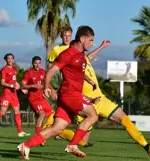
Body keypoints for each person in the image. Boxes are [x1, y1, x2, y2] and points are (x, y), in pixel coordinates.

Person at [58, 40, 150, 157]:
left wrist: (102, 46)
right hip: (85, 104)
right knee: (83, 142)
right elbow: (70, 90)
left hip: (101, 100)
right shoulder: (70, 67)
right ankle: (58, 132)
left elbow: (90, 56)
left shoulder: (84, 60)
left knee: (125, 119)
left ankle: (147, 146)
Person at [17, 26, 99, 160]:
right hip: (70, 94)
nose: (92, 43)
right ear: (82, 38)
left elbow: (78, 73)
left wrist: (90, 81)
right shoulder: (67, 54)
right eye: (91, 40)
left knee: (57, 128)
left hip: (69, 95)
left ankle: (25, 146)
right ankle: (73, 144)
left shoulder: (80, 55)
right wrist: (46, 88)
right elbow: (50, 71)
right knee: (93, 116)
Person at [0, 53, 30, 137]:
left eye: (11, 58)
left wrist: (21, 88)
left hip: (14, 94)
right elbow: (2, 82)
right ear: (6, 60)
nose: (10, 60)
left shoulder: (14, 69)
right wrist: (10, 85)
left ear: (13, 59)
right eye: (8, 58)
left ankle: (20, 132)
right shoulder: (4, 70)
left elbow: (15, 82)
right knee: (2, 112)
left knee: (17, 112)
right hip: (7, 93)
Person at [21, 56, 54, 134]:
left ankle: (45, 132)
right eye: (35, 63)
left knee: (51, 113)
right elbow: (22, 85)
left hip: (41, 98)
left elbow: (47, 83)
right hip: (33, 98)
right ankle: (38, 136)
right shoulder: (29, 73)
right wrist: (32, 86)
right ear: (32, 63)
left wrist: (52, 91)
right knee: (42, 114)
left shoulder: (43, 72)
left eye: (39, 63)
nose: (37, 65)